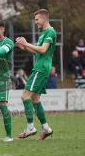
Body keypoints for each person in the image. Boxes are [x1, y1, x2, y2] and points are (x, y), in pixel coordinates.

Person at [16, 9, 55, 140]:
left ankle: (30, 127)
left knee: (25, 96)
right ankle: (46, 128)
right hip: (41, 67)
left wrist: (27, 43)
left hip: (41, 69)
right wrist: (24, 47)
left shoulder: (50, 31)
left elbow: (43, 50)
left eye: (37, 19)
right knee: (35, 99)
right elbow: (38, 52)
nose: (36, 22)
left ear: (44, 19)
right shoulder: (44, 33)